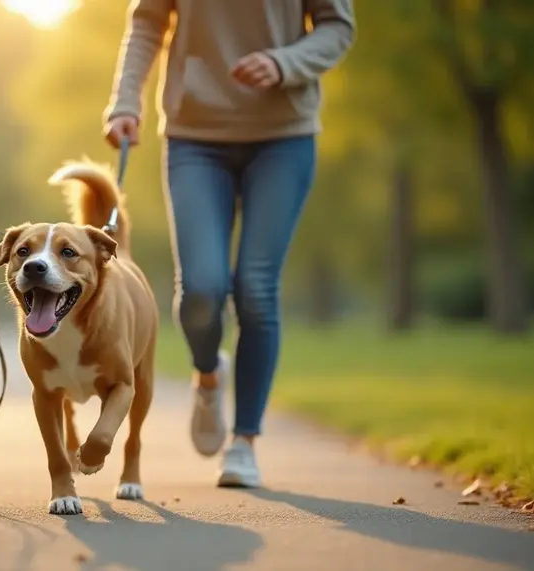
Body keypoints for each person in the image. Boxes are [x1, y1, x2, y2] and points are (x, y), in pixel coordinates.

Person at [104, 0, 354, 487]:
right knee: (202, 289)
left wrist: (285, 62)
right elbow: (147, 22)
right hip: (195, 134)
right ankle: (208, 374)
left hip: (284, 134)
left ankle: (244, 442)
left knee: (256, 289)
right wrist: (126, 101)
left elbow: (337, 27)